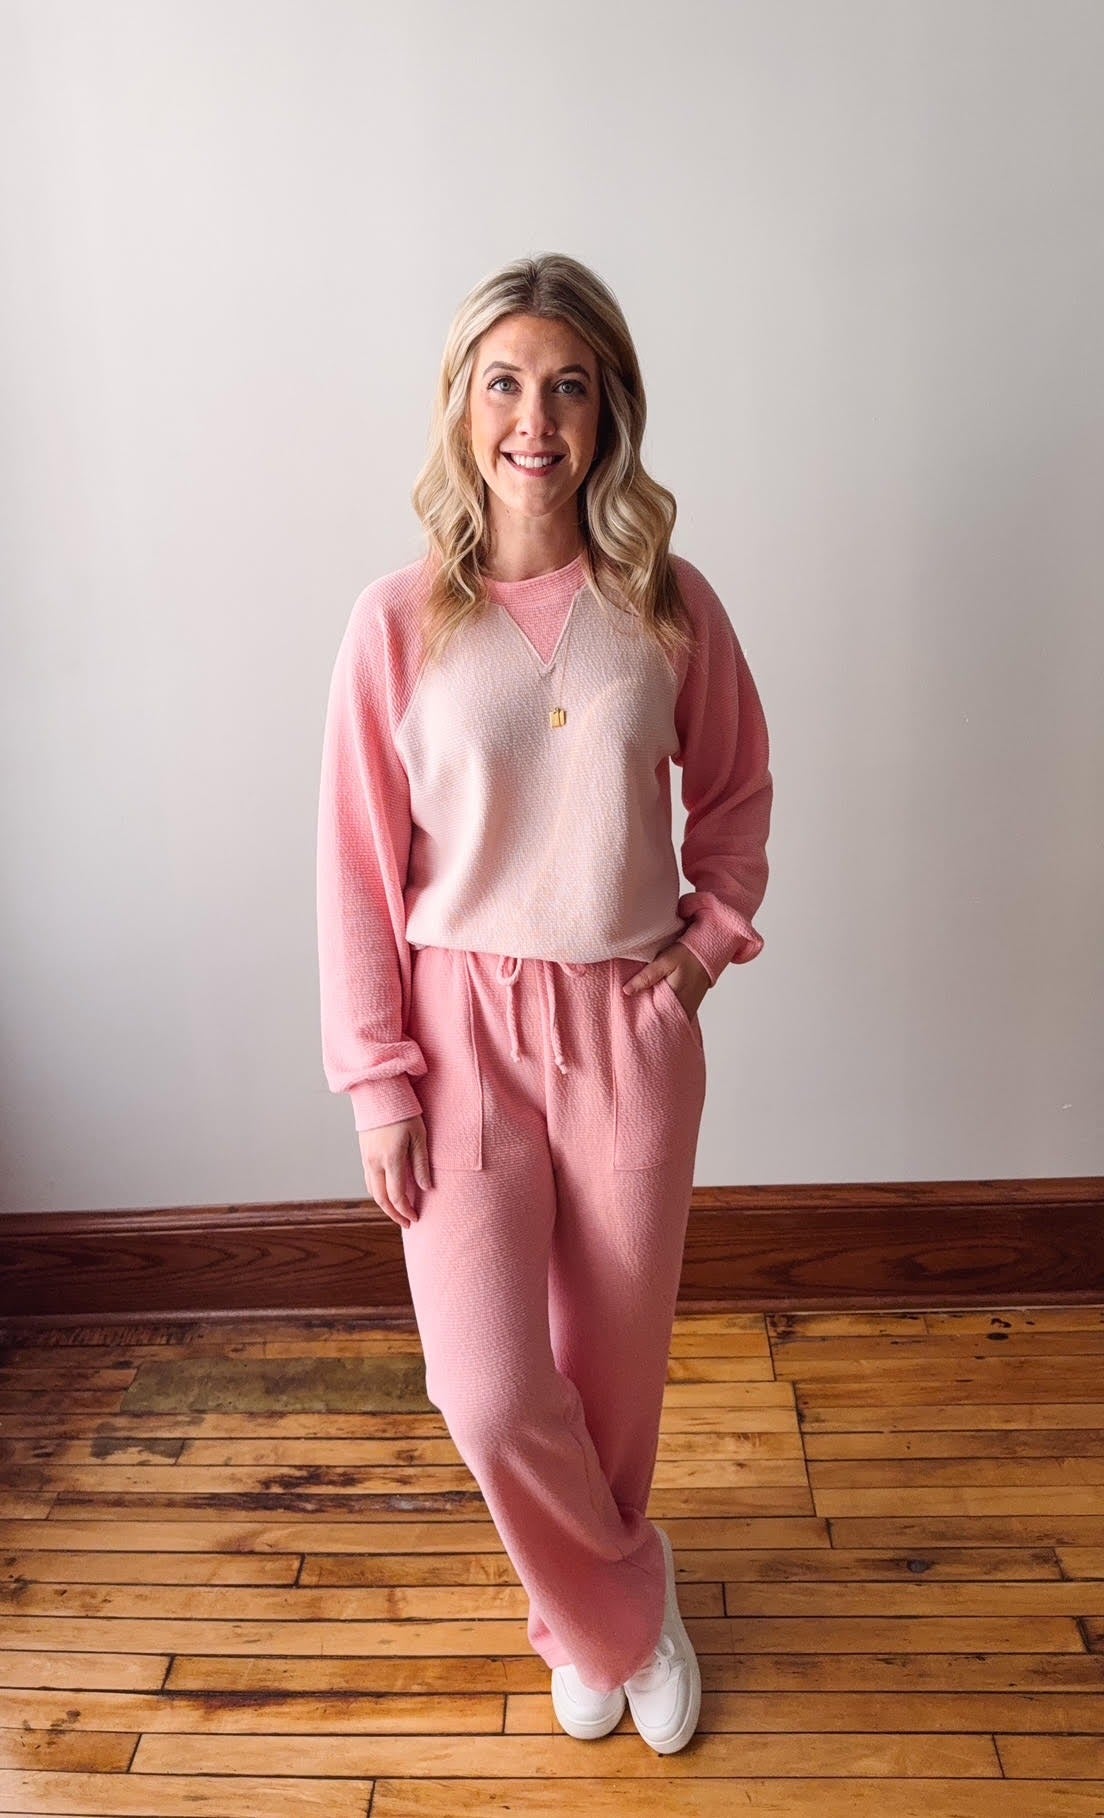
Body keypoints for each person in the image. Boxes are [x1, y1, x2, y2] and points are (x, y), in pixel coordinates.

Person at [316, 252, 773, 1755]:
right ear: (462, 408)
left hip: (627, 1025)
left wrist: (700, 955)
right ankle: (624, 1609)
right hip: (459, 1034)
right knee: (488, 1383)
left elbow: (737, 793)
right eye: (505, 382)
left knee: (615, 1373)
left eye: (568, 386)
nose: (536, 417)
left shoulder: (666, 603)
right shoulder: (398, 622)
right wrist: (378, 1080)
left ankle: (588, 1611)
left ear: (607, 412)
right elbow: (357, 866)